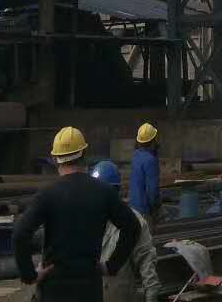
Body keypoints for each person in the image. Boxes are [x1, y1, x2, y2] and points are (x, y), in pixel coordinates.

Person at [13, 126, 139, 302]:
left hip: (54, 288)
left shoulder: (48, 194)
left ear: (55, 160)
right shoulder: (104, 192)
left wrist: (29, 275)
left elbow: (19, 234)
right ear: (84, 154)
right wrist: (111, 266)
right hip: (89, 287)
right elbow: (133, 227)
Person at [91, 160, 159, 302]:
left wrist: (151, 293)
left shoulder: (134, 220)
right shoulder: (85, 219)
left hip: (120, 295)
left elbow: (146, 259)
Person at [128, 123, 160, 222]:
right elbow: (152, 189)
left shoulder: (136, 156)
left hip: (133, 206)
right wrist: (154, 208)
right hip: (144, 210)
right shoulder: (151, 160)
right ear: (153, 140)